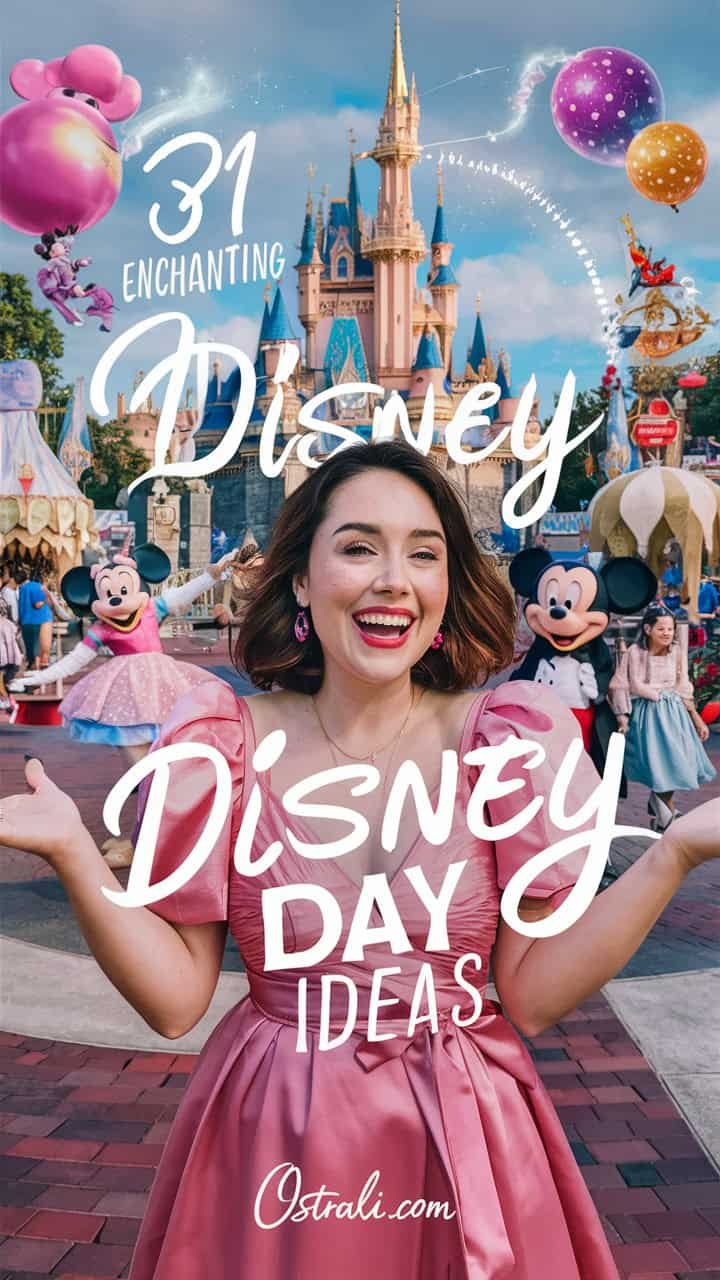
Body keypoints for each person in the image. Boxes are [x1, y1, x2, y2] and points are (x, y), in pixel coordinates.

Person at [1, 441, 719, 1280]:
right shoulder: (221, 743)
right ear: (302, 579)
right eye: (357, 547)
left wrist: (674, 853)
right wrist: (73, 852)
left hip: (466, 1134)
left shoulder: (511, 739)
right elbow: (172, 1002)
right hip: (279, 1133)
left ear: (448, 587)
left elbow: (529, 994)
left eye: (424, 553)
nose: (393, 579)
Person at [609, 605, 715, 831]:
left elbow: (683, 684)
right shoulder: (635, 652)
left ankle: (661, 806)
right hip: (650, 715)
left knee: (678, 761)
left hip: (675, 712)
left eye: (671, 629)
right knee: (661, 763)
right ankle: (664, 809)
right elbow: (624, 684)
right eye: (662, 629)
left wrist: (696, 717)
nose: (667, 633)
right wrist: (623, 718)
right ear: (648, 629)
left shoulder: (676, 652)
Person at [17, 566, 54, 670]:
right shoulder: (38, 587)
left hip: (26, 622)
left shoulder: (23, 588)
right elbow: (38, 604)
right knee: (42, 654)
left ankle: (33, 674)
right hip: (40, 620)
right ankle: (40, 678)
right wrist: (46, 596)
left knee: (31, 654)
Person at [0, 595, 23, 710]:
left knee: (1, 682)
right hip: (7, 660)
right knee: (3, 681)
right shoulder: (8, 624)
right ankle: (7, 700)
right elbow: (12, 644)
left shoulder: (6, 625)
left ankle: (6, 700)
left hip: (4, 660)